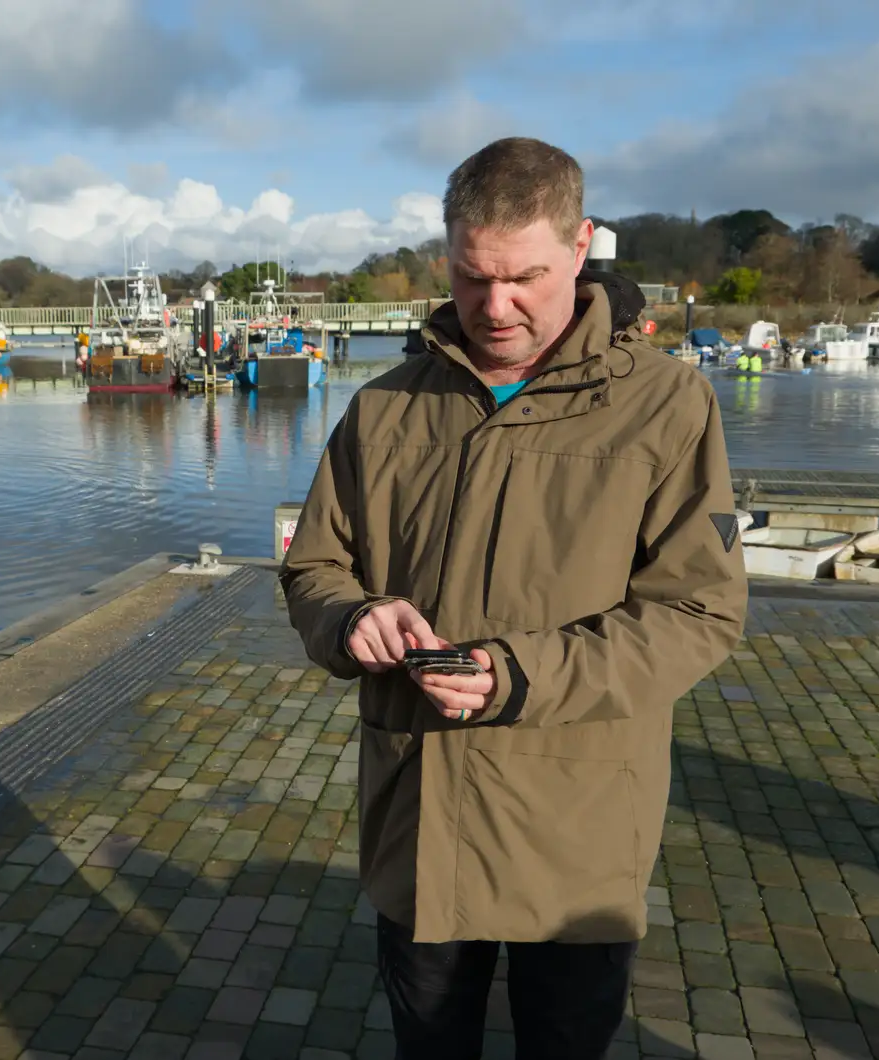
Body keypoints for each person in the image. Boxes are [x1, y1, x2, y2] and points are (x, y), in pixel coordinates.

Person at [279, 137, 748, 1060]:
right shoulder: (382, 407)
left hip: (577, 834)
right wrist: (353, 617)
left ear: (580, 247)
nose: (495, 307)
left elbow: (698, 612)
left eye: (524, 277)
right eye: (471, 277)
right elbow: (314, 566)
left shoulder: (668, 405)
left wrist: (519, 675)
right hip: (421, 824)